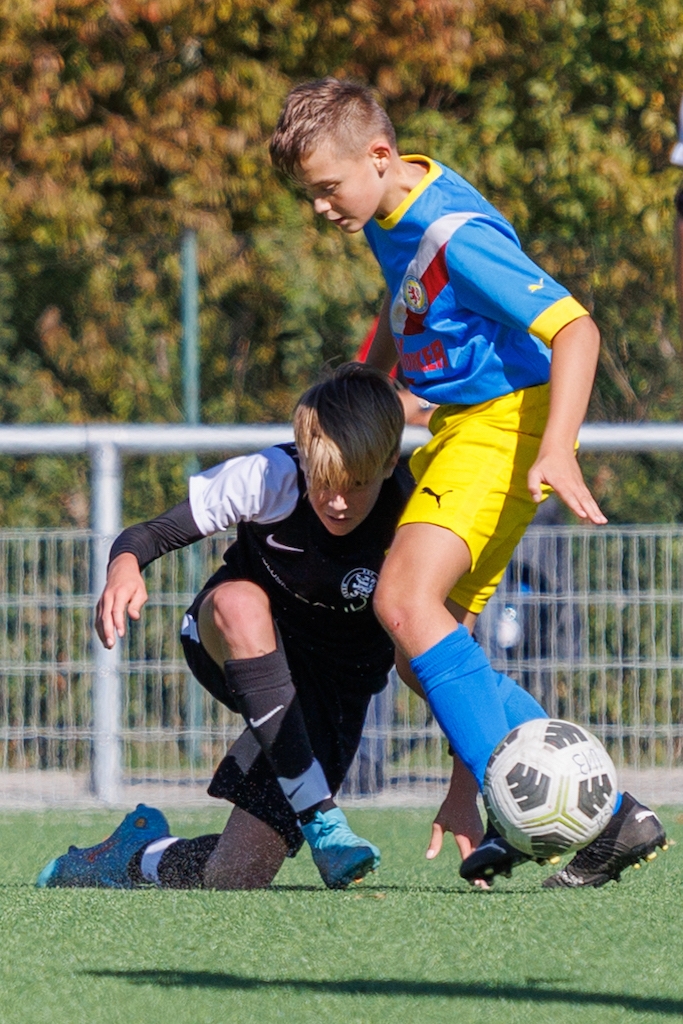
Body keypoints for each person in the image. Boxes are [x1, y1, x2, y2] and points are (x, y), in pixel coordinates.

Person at [269, 78, 667, 887]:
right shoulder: (390, 210)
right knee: (421, 650)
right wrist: (369, 380)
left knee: (399, 601)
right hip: (465, 430)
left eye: (327, 189)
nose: (319, 207)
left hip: (503, 428)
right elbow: (405, 299)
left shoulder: (454, 233)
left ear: (378, 156)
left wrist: (557, 448)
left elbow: (576, 328)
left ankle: (522, 803)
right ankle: (608, 815)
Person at [37, 364, 432, 891]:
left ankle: (135, 854)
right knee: (241, 602)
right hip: (232, 639)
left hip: (332, 695)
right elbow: (150, 534)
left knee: (235, 875)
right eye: (324, 483)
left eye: (356, 485)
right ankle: (321, 816)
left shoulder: (418, 512)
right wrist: (124, 567)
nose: (337, 502)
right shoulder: (269, 476)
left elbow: (440, 649)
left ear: (387, 463)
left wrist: (463, 788)